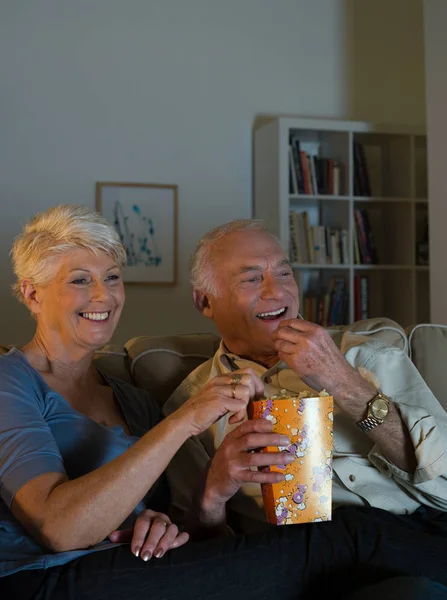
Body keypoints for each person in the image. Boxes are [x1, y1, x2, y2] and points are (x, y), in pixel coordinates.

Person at [163, 218, 447, 595]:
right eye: (251, 278)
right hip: (299, 565)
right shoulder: (189, 407)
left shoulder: (366, 356)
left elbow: (443, 482)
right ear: (204, 301)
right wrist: (215, 489)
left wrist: (343, 382)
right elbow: (204, 545)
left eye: (284, 273)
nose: (276, 291)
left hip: (414, 534)